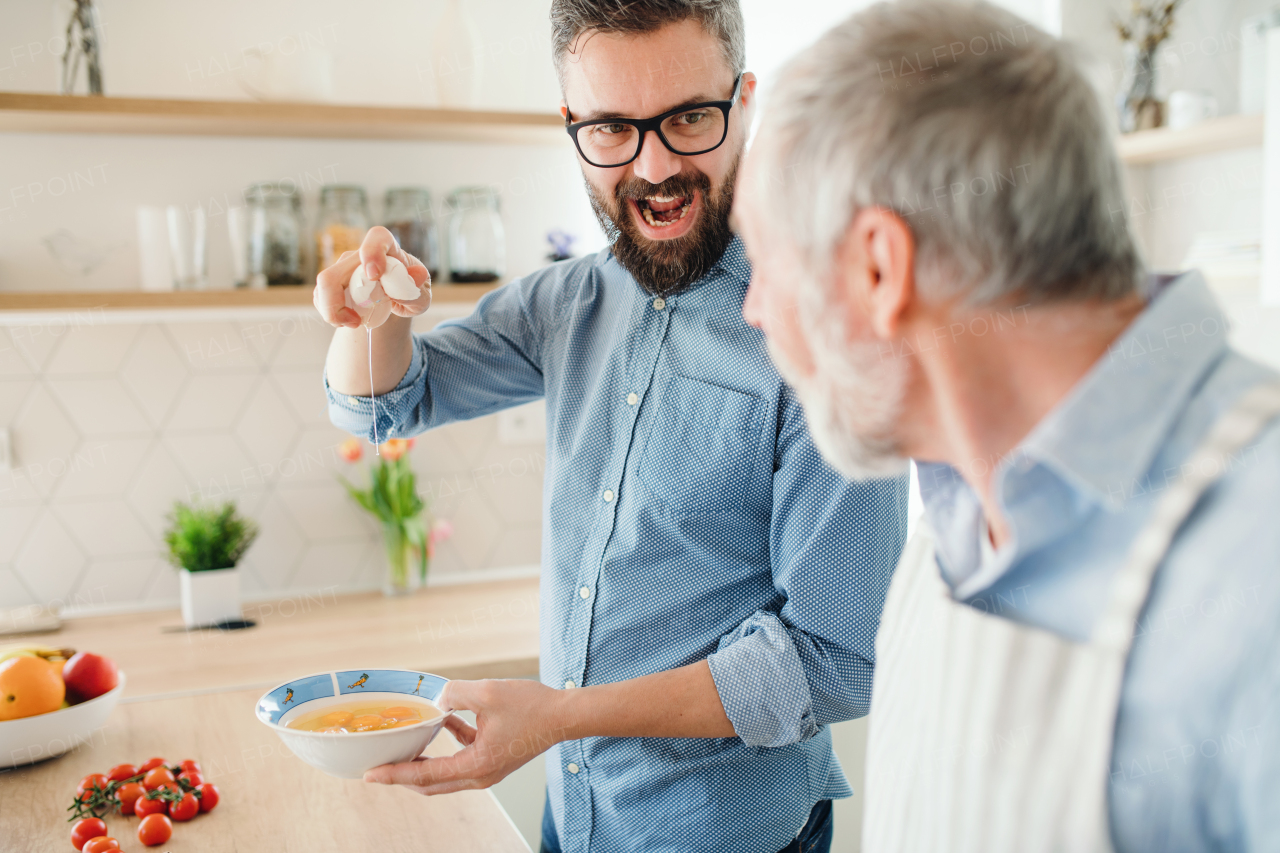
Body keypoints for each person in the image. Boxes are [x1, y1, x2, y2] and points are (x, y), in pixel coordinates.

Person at [313, 2, 908, 851]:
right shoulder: (569, 303)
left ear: (745, 101)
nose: (655, 164)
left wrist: (560, 716)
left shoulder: (829, 331)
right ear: (572, 127)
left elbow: (841, 656)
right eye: (612, 130)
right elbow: (383, 402)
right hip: (581, 820)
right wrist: (372, 314)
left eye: (689, 118)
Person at [736, 1, 1280, 851]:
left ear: (881, 267)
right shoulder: (949, 519)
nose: (754, 310)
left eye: (766, 264)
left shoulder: (1256, 569)